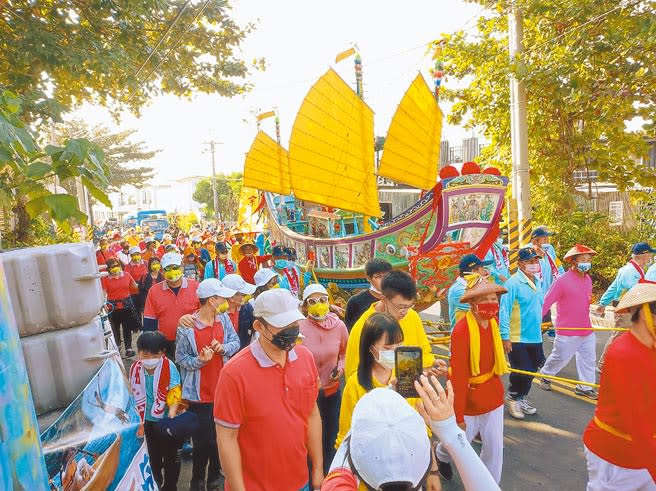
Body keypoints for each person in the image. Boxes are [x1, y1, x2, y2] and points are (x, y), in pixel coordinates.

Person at [215, 289, 324, 491]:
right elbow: (226, 438)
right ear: (259, 326)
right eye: (282, 325)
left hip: (301, 482)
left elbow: (311, 414)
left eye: (294, 323)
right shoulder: (234, 373)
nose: (291, 330)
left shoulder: (305, 357)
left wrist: (318, 469)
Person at [323, 377, 501, 491]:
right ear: (424, 468)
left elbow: (347, 456)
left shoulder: (337, 485)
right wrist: (450, 431)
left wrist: (375, 416)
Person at [582, 281, 656, 491]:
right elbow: (635, 418)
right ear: (643, 313)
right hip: (615, 454)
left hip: (644, 450)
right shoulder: (623, 353)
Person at [435, 275, 508, 483]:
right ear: (473, 304)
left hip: (492, 394)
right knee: (458, 444)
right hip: (468, 400)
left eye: (494, 299)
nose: (491, 304)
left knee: (494, 448)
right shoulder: (461, 330)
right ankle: (439, 455)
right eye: (485, 299)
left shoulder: (493, 322)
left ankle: (489, 484)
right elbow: (458, 377)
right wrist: (457, 416)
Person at [176, 278, 240, 491]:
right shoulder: (186, 327)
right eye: (222, 297)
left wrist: (223, 348)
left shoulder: (224, 320)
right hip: (199, 396)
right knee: (202, 442)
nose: (226, 300)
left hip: (223, 392)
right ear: (212, 300)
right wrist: (199, 361)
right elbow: (181, 359)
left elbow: (235, 343)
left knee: (219, 441)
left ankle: (214, 478)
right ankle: (197, 481)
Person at [345, 271, 437, 379]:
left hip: (412, 392)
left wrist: (431, 364)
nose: (405, 312)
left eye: (409, 306)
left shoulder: (412, 316)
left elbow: (423, 351)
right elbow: (353, 374)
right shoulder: (364, 327)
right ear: (383, 299)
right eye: (400, 307)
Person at [299, 283, 349, 474]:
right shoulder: (299, 328)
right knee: (310, 437)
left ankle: (329, 475)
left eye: (323, 300)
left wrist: (341, 368)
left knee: (331, 435)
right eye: (313, 302)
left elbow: (345, 353)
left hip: (332, 390)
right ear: (305, 307)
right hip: (309, 394)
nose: (319, 305)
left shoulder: (339, 327)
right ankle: (311, 474)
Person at [538, 244, 599, 399]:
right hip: (567, 329)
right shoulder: (562, 280)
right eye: (583, 259)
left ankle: (585, 386)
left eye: (588, 259)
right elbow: (547, 301)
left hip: (586, 328)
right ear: (573, 261)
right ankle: (545, 375)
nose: (587, 262)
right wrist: (536, 322)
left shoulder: (588, 280)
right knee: (560, 356)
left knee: (589, 358)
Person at [130, 331, 182, 491]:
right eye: (145, 354)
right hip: (147, 422)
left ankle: (171, 486)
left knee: (171, 457)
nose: (149, 358)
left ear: (162, 353)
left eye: (154, 354)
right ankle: (155, 483)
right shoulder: (135, 370)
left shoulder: (169, 367)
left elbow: (175, 392)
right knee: (153, 457)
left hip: (167, 421)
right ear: (138, 352)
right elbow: (132, 393)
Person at [499, 245, 545, 419]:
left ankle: (521, 397)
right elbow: (504, 311)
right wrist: (505, 336)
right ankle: (513, 397)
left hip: (535, 336)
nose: (534, 264)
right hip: (517, 336)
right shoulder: (512, 283)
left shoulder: (538, 281)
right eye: (529, 261)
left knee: (533, 368)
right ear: (520, 263)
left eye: (535, 261)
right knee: (522, 369)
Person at [596, 241, 656, 370]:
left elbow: (613, 287)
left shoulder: (635, 269)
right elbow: (636, 291)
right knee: (619, 336)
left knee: (628, 337)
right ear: (643, 255)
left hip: (631, 308)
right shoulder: (630, 271)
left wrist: (603, 302)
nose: (650, 258)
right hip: (626, 309)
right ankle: (604, 363)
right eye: (649, 254)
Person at [144, 252, 200, 360]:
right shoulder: (154, 291)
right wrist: (150, 346)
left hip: (193, 339)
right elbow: (149, 320)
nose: (172, 272)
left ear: (182, 267)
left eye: (175, 267)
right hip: (166, 343)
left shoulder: (196, 287)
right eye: (168, 269)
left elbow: (205, 313)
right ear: (162, 271)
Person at [101, 258, 139, 357]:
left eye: (117, 265)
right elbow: (103, 293)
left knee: (127, 328)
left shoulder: (126, 275)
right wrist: (104, 303)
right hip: (113, 307)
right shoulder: (105, 279)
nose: (115, 268)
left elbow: (135, 286)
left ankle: (129, 348)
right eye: (112, 266)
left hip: (126, 306)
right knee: (115, 328)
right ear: (108, 269)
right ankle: (117, 346)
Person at [344, 259, 392, 331]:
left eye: (387, 276)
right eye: (379, 276)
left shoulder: (397, 299)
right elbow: (350, 331)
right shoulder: (355, 302)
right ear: (369, 278)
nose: (384, 280)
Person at [447, 254, 493, 329]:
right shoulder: (459, 290)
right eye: (483, 268)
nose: (486, 272)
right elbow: (484, 308)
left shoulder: (473, 285)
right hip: (464, 336)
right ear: (474, 271)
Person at [221, 274, 257, 350]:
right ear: (231, 298)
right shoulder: (219, 314)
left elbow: (255, 327)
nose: (248, 296)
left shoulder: (247, 308)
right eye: (244, 295)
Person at [530, 225, 564, 296]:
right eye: (545, 239)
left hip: (548, 289)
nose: (548, 241)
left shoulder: (549, 248)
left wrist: (564, 278)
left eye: (548, 238)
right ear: (535, 241)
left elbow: (557, 264)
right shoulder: (528, 251)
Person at [125, 246, 148, 319]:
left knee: (146, 309)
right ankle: (139, 328)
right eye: (134, 255)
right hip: (134, 291)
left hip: (144, 290)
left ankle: (146, 327)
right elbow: (127, 279)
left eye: (137, 254)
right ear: (131, 256)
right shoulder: (128, 266)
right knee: (136, 310)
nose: (136, 256)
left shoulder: (145, 263)